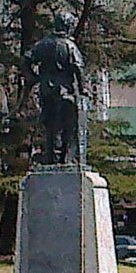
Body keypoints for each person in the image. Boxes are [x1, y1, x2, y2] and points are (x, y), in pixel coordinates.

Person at [23, 12, 87, 164]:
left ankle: (52, 157)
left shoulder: (44, 43)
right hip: (64, 91)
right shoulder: (69, 45)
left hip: (46, 89)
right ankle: (63, 159)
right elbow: (78, 68)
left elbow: (26, 59)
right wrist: (83, 89)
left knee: (50, 125)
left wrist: (33, 77)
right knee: (66, 125)